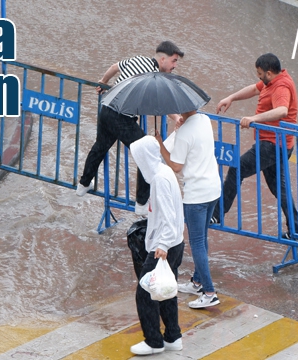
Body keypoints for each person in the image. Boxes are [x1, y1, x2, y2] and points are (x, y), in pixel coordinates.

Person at [76, 41, 184, 215]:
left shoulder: (137, 59)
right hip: (122, 118)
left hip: (106, 108)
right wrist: (177, 117)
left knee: (100, 147)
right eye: (174, 61)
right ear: (162, 59)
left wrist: (103, 81)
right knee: (147, 153)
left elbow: (114, 67)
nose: (175, 66)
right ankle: (141, 203)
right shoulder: (154, 77)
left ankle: (83, 184)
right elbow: (160, 104)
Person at [212, 53, 298, 239]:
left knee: (237, 169)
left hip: (272, 145)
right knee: (279, 187)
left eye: (260, 73)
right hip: (277, 144)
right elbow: (254, 89)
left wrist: (253, 119)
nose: (258, 77)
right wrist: (231, 98)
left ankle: (216, 214)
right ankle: (295, 229)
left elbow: (282, 110)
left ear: (269, 73)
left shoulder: (281, 87)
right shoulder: (274, 80)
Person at [157, 109, 221, 309]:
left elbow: (176, 166)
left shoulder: (184, 133)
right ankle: (197, 282)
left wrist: (160, 144)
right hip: (213, 189)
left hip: (196, 195)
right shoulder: (205, 119)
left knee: (197, 243)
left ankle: (209, 292)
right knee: (202, 238)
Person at [129, 136, 185, 355]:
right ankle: (173, 336)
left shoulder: (160, 180)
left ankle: (153, 341)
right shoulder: (163, 173)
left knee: (145, 291)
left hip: (165, 246)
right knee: (166, 290)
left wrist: (161, 245)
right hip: (174, 243)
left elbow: (168, 216)